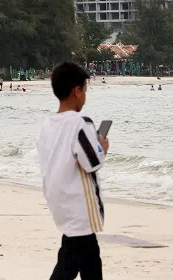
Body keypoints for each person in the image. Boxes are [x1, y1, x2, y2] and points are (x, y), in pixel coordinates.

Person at [37, 61, 108, 280]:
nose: (85, 96)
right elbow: (92, 162)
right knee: (71, 263)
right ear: (76, 91)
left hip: (60, 202)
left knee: (87, 261)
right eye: (85, 90)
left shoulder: (48, 125)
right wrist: (102, 147)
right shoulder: (80, 123)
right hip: (79, 207)